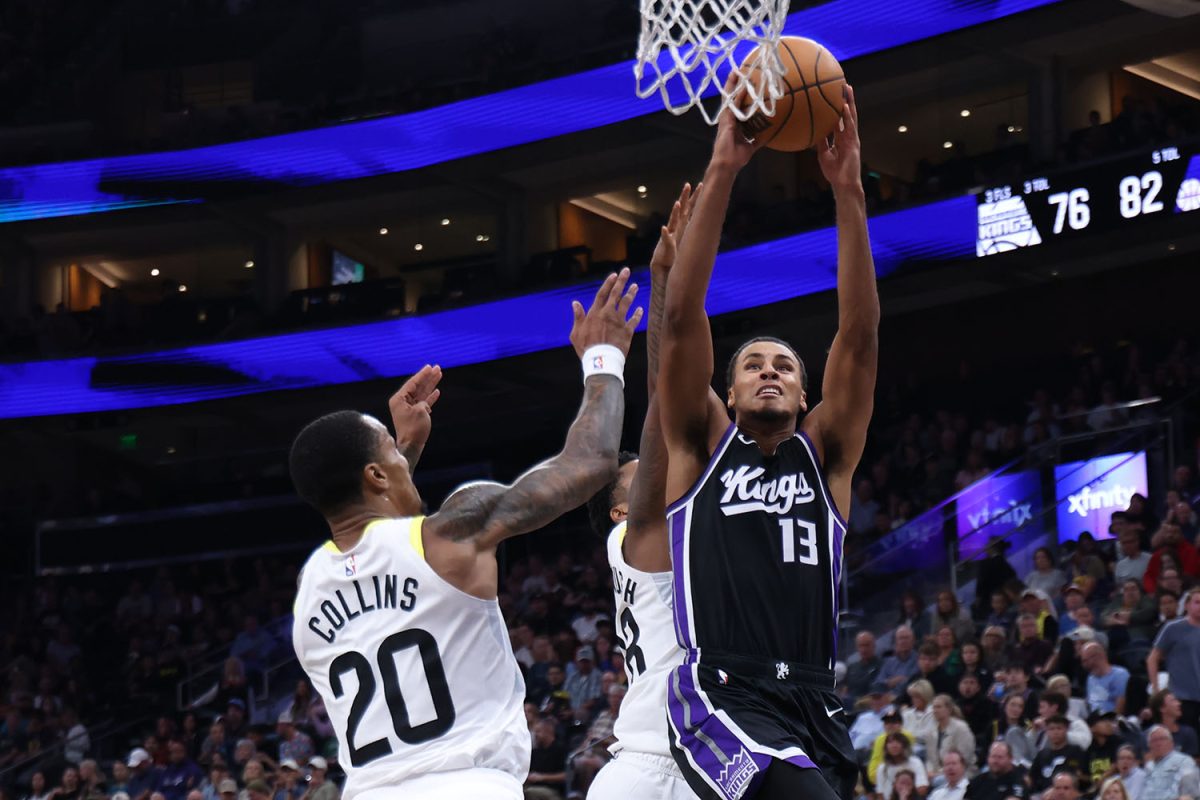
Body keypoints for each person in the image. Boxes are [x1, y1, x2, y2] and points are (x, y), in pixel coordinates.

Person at [289, 274, 640, 800]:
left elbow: (382, 542)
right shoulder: (453, 530)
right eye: (387, 453)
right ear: (376, 476)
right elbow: (589, 465)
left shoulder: (309, 592)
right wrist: (604, 359)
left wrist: (398, 448)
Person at [658, 84, 874, 800]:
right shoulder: (700, 446)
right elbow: (684, 317)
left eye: (785, 365)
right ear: (727, 390)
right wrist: (724, 167)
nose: (770, 372)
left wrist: (848, 193)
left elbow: (860, 336)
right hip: (720, 694)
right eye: (753, 364)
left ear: (806, 396)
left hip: (816, 700)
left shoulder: (827, 455)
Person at [585, 184, 701, 800]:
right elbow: (665, 410)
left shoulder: (657, 534)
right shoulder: (634, 534)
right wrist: (665, 287)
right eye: (637, 474)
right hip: (661, 759)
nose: (652, 471)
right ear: (619, 509)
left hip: (660, 758)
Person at [1147, 588, 1200, 732]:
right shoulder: (1173, 628)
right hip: (1181, 698)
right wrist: (1157, 689)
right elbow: (1153, 658)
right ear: (1187, 605)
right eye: (1197, 602)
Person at [1029, 716, 1086, 797]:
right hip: (1042, 794)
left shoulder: (1076, 751)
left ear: (1066, 729)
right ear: (1046, 731)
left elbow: (1078, 776)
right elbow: (1031, 777)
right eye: (1051, 729)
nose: (1055, 732)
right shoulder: (1042, 754)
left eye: (1059, 728)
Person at [1140, 724, 1200, 800]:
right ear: (1149, 746)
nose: (1158, 743)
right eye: (1154, 740)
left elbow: (1190, 794)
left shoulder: (1184, 761)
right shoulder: (1149, 766)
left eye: (1162, 739)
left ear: (1171, 743)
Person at [924, 695, 975, 779]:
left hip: (961, 773)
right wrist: (930, 772)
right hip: (935, 774)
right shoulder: (930, 731)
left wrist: (939, 774)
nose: (935, 711)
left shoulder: (961, 728)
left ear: (949, 709)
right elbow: (929, 758)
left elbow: (965, 758)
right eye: (934, 707)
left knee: (938, 781)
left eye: (939, 707)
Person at [963, 742, 1029, 800]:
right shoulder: (978, 781)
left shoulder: (1018, 780)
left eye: (1000, 757)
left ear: (1010, 759)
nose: (995, 761)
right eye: (993, 756)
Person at [1146, 689, 1200, 757]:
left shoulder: (1188, 733)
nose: (1179, 704)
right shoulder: (1148, 735)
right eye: (1173, 700)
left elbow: (1194, 761)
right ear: (1162, 708)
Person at [874, 733, 928, 800]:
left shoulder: (915, 762)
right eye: (890, 742)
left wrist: (905, 790)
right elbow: (880, 794)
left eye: (898, 742)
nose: (894, 745)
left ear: (905, 746)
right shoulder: (882, 768)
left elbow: (922, 789)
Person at [1081, 643, 1128, 715]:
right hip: (1092, 720)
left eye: (1086, 660)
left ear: (1098, 656)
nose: (1084, 665)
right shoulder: (1090, 678)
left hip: (1109, 719)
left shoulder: (1120, 675)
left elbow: (1121, 705)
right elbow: (1090, 702)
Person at [526, 720, 567, 800]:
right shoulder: (535, 751)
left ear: (548, 731)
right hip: (533, 786)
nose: (535, 735)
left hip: (553, 790)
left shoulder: (561, 749)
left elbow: (566, 775)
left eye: (538, 732)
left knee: (529, 793)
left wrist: (542, 777)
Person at [879, 627, 920, 693]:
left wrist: (899, 680)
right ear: (896, 642)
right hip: (889, 699)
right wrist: (890, 682)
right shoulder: (888, 662)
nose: (903, 641)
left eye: (906, 638)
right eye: (901, 638)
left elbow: (914, 683)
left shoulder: (919, 660)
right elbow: (879, 682)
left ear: (913, 641)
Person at [846, 633, 883, 705]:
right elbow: (845, 689)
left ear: (874, 645)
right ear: (857, 647)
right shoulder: (852, 667)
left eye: (867, 645)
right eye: (861, 645)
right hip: (851, 706)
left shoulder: (882, 666)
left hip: (871, 706)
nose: (864, 649)